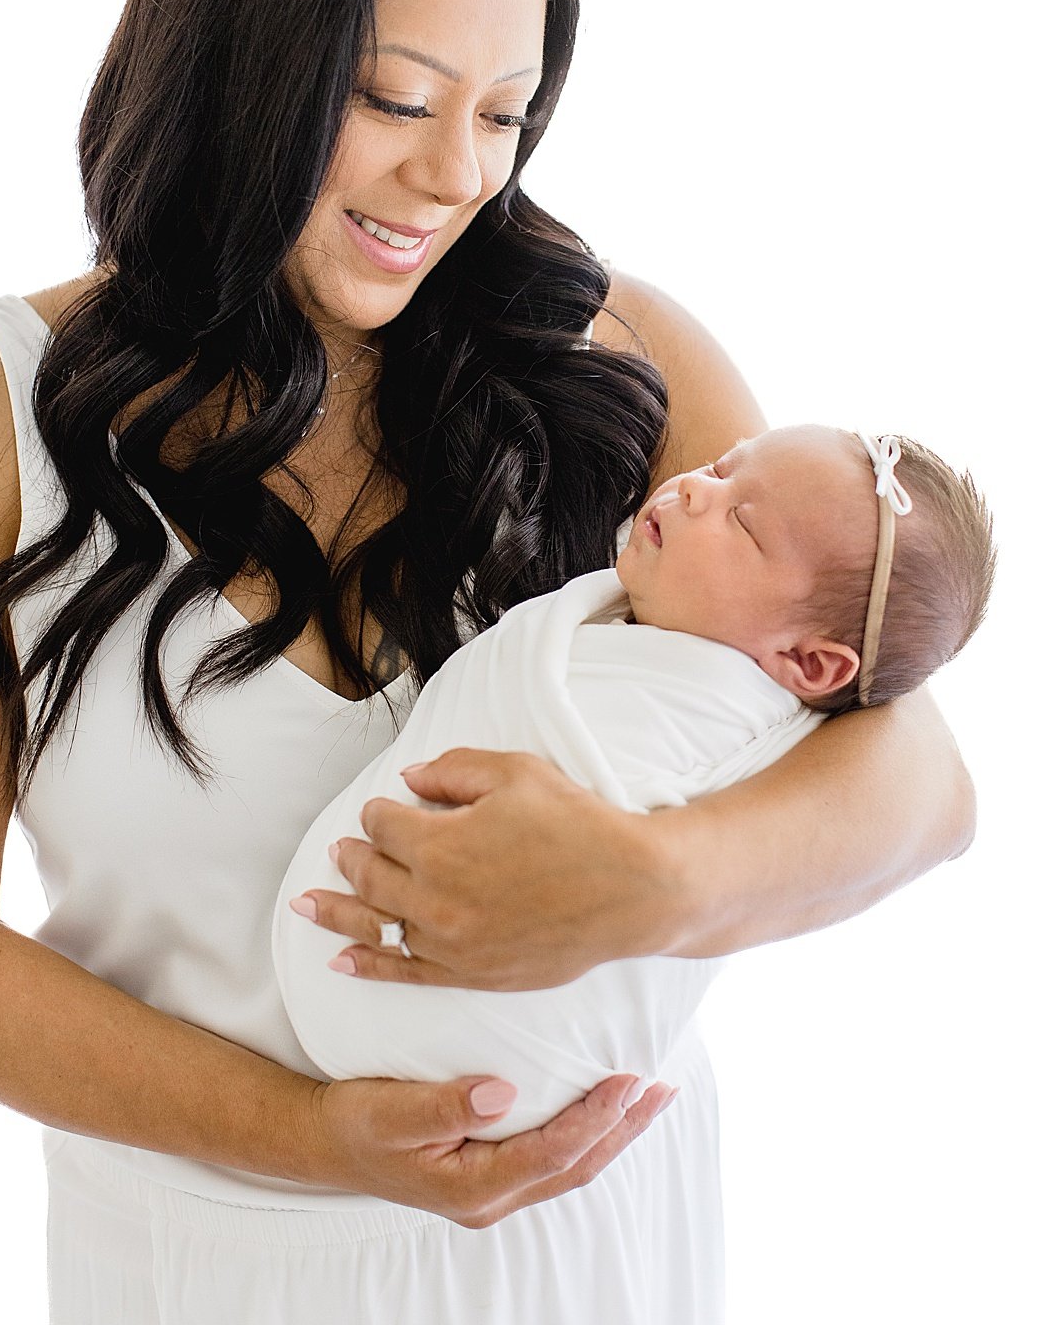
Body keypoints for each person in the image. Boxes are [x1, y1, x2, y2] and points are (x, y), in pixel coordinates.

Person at [0, 0, 976, 1324]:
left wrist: (651, 882)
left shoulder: (614, 359)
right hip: (215, 1265)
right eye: (392, 99)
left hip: (598, 1256)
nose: (453, 176)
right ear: (237, 57)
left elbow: (917, 781)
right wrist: (313, 1138)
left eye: (503, 113)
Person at [276, 426, 994, 1140]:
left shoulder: (729, 716)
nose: (694, 489)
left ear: (809, 668)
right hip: (346, 1068)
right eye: (719, 467)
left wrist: (659, 874)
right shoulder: (676, 606)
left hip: (513, 1064)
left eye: (741, 521)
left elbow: (943, 800)